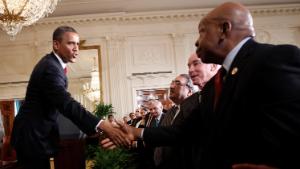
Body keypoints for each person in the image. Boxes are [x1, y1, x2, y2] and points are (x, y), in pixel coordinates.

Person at [103, 2, 300, 169]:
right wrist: (136, 132)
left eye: (202, 32)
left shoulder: (274, 58)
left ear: (224, 29)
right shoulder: (214, 86)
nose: (197, 42)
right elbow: (184, 131)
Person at [11, 26, 129, 169]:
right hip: (31, 136)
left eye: (77, 44)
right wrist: (102, 124)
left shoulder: (54, 65)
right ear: (56, 44)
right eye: (71, 43)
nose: (76, 49)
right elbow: (65, 103)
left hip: (35, 135)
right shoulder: (50, 67)